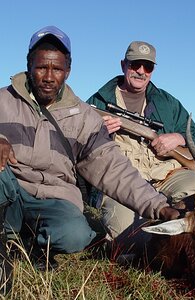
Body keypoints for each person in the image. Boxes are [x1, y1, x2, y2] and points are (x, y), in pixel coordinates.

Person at [0, 26, 180, 284]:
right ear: (29, 66)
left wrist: (160, 207)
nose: (49, 77)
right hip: (9, 193)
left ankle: (31, 243)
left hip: (54, 197)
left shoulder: (85, 117)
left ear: (68, 72)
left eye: (57, 69)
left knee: (74, 235)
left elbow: (113, 169)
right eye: (41, 67)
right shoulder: (3, 100)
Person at [87, 41, 195, 254]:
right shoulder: (98, 102)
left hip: (165, 175)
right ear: (124, 65)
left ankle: (189, 230)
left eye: (147, 67)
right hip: (122, 182)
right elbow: (80, 146)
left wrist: (177, 138)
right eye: (135, 65)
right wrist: (99, 134)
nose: (141, 71)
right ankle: (166, 230)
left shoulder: (167, 102)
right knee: (126, 239)